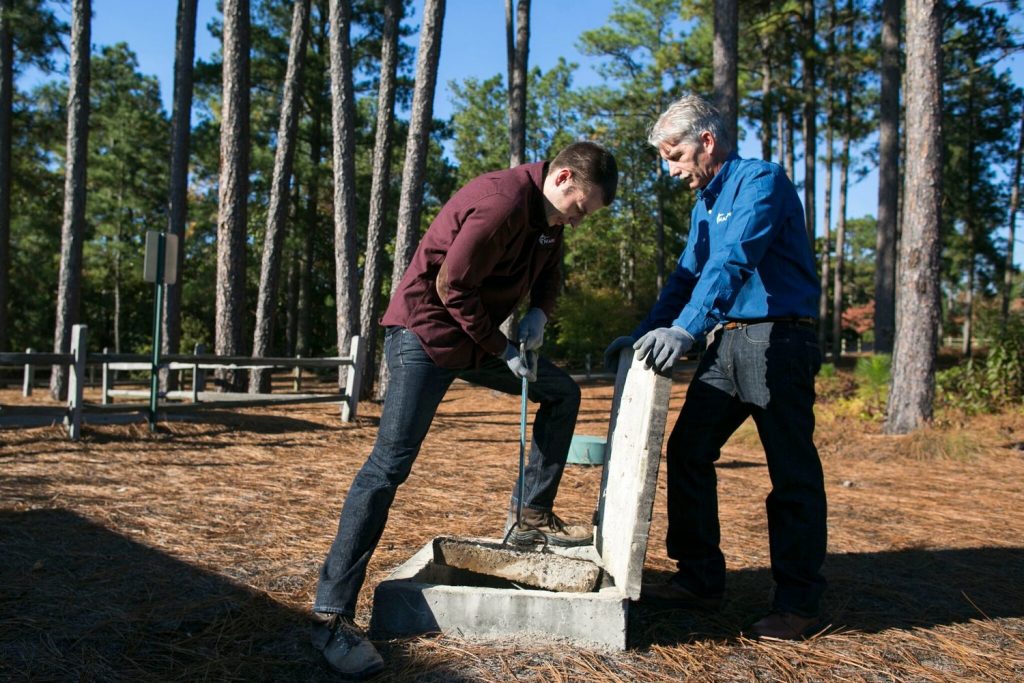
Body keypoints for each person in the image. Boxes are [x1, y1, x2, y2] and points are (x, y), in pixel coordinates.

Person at [312, 141, 619, 678]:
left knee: (562, 393)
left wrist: (539, 316)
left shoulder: (549, 218)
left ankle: (528, 517)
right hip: (424, 334)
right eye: (581, 208)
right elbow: (450, 284)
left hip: (475, 340)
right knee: (388, 467)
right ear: (563, 177)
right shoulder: (501, 199)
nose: (579, 221)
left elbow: (548, 273)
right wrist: (503, 350)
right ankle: (331, 617)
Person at [604, 94, 826, 641]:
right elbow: (686, 277)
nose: (670, 169)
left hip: (779, 340)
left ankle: (797, 603)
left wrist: (687, 329)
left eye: (675, 155)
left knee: (791, 472)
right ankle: (700, 579)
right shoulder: (705, 203)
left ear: (707, 141)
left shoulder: (761, 182)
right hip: (726, 346)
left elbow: (734, 260)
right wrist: (642, 337)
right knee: (687, 452)